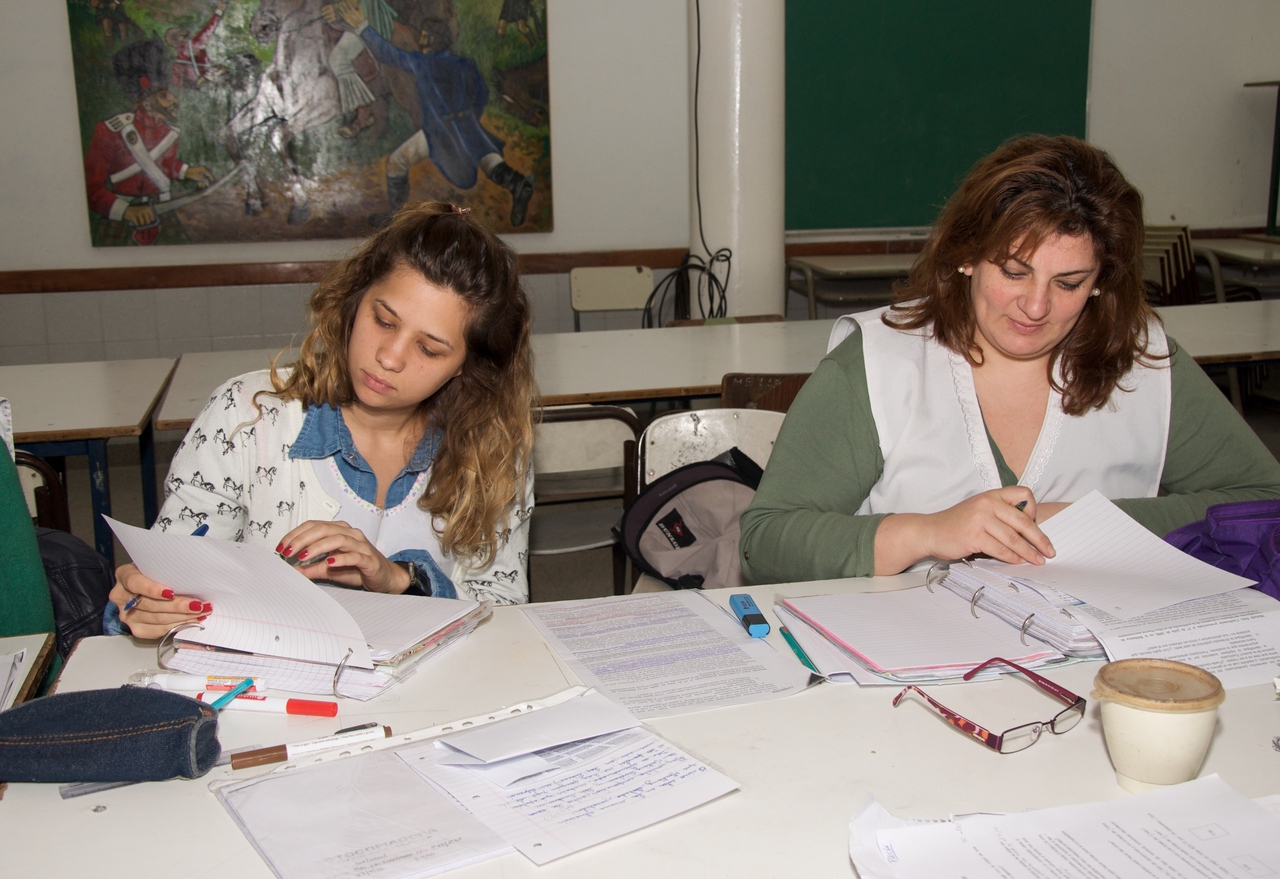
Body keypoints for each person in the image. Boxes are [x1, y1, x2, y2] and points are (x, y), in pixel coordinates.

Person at [739, 134, 1280, 583]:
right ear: (967, 256)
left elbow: (1265, 501)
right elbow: (766, 543)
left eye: (1069, 282)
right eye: (1014, 272)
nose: (1036, 306)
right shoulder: (878, 363)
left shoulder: (1144, 362)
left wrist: (1083, 520)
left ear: (1101, 281)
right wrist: (929, 532)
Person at [108, 202, 536, 639]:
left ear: (467, 364)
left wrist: (401, 581)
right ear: (355, 300)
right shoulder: (247, 416)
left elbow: (504, 610)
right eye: (383, 320)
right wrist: (145, 603)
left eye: (428, 349)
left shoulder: (493, 448)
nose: (389, 357)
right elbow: (168, 580)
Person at [328, 0, 536, 227]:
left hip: (438, 131)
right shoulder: (465, 64)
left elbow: (388, 54)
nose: (421, 40)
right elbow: (481, 96)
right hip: (467, 125)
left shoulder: (423, 63)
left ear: (432, 40)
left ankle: (396, 219)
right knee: (486, 156)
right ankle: (518, 183)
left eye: (425, 37)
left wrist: (362, 27)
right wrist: (466, 121)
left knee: (397, 162)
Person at [83, 39, 214, 246]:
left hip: (163, 213)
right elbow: (90, 188)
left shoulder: (168, 132)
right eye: (164, 96)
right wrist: (125, 211)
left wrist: (187, 171)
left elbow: (159, 167)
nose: (174, 100)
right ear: (146, 102)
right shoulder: (111, 131)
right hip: (124, 219)